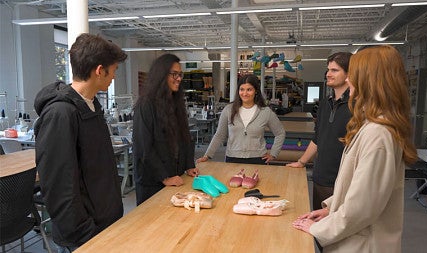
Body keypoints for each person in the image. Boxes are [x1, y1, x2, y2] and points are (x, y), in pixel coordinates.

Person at [292, 45, 417, 252]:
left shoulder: (378, 134)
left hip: (362, 244)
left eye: (354, 75)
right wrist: (331, 208)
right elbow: (358, 188)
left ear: (370, 81)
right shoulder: (372, 126)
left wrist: (319, 228)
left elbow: (361, 208)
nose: (349, 80)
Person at [34, 33, 128, 251]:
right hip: (84, 238)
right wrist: (85, 234)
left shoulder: (91, 106)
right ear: (99, 70)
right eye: (113, 70)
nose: (113, 77)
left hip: (104, 224)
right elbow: (58, 187)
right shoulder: (61, 114)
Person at [287, 52, 352, 212]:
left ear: (349, 74)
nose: (328, 74)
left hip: (344, 181)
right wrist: (302, 162)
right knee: (318, 228)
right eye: (328, 69)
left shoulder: (357, 106)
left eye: (335, 70)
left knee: (339, 232)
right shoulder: (325, 104)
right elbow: (318, 138)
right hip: (320, 177)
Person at [133, 54, 199, 205]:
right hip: (153, 181)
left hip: (175, 177)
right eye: (174, 74)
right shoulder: (146, 105)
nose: (179, 78)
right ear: (161, 75)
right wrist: (164, 177)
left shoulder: (175, 102)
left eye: (180, 74)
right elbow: (144, 147)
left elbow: (185, 137)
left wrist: (189, 165)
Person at [196, 74, 285, 165]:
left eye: (249, 90)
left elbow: (280, 133)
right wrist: (207, 155)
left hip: (258, 159)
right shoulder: (228, 110)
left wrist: (273, 154)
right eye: (242, 89)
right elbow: (219, 135)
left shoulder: (265, 112)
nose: (245, 93)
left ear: (256, 91)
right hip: (232, 159)